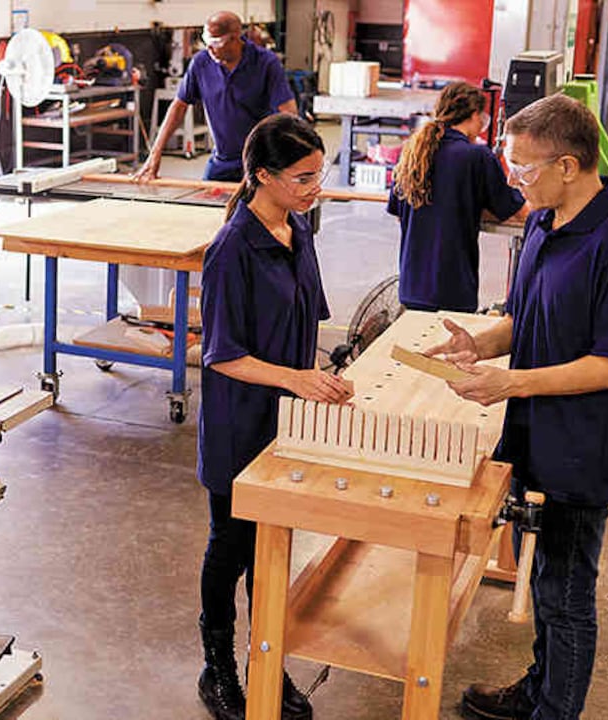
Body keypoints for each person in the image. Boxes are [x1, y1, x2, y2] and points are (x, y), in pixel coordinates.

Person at [426, 95, 608, 720]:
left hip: (582, 446)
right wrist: (480, 343)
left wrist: (515, 383)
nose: (513, 178)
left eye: (524, 167)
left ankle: (556, 710)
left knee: (566, 591)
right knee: (543, 577)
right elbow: (523, 317)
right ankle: (538, 688)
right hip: (533, 432)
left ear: (567, 165)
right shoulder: (540, 222)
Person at [197, 114, 353, 720]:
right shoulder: (231, 251)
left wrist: (326, 376)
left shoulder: (298, 229)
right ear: (262, 176)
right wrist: (297, 380)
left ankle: (268, 658)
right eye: (303, 177)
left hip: (290, 423)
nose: (316, 186)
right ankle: (218, 668)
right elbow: (224, 356)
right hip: (242, 423)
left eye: (320, 174)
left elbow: (305, 320)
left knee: (273, 549)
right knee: (230, 547)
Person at [388, 81, 526, 312]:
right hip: (452, 288)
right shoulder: (477, 157)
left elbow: (399, 213)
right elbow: (513, 209)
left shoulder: (413, 151)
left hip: (412, 286)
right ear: (474, 115)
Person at [133, 11, 297, 183]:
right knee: (204, 206)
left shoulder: (266, 63)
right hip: (222, 160)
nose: (209, 49)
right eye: (207, 42)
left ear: (235, 38)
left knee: (259, 207)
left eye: (216, 43)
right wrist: (155, 154)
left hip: (261, 162)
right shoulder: (201, 63)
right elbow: (179, 106)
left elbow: (288, 113)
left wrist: (289, 160)